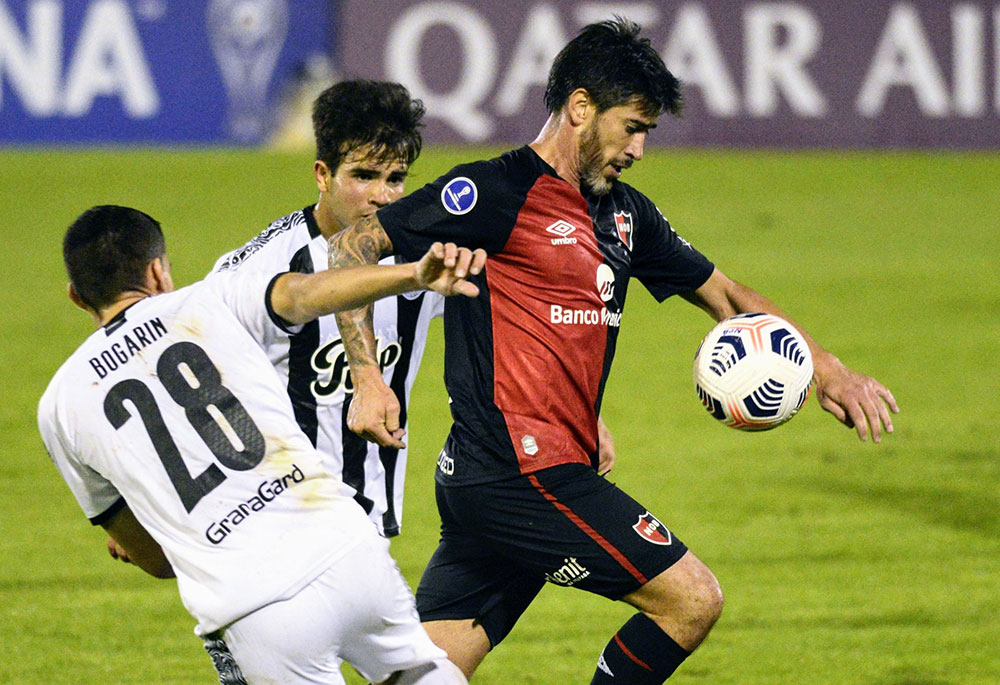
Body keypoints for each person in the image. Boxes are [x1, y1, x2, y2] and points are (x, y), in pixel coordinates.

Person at [326, 18, 900, 684]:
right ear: (579, 108)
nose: (640, 148)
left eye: (647, 131)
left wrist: (828, 370)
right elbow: (352, 246)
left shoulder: (626, 216)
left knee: (421, 675)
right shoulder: (496, 192)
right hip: (523, 476)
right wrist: (367, 378)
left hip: (499, 478)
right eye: (632, 126)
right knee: (690, 599)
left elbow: (725, 295)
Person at [38, 205, 484, 684]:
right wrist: (413, 274)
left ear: (75, 297)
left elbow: (154, 559)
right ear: (157, 271)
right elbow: (305, 290)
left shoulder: (59, 406)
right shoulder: (210, 299)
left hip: (255, 604)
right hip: (348, 549)